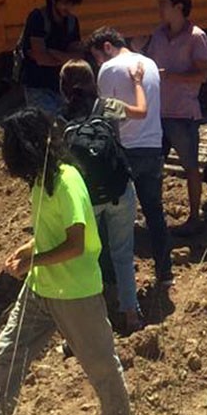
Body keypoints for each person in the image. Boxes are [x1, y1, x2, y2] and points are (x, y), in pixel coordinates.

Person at [0, 109, 131, 415]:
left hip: (75, 294)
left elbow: (76, 243)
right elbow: (47, 236)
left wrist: (32, 262)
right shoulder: (39, 182)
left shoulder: (67, 180)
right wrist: (26, 251)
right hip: (41, 292)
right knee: (3, 362)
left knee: (101, 365)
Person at [57, 60, 143, 335]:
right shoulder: (108, 106)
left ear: (64, 87)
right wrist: (138, 83)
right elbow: (140, 112)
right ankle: (131, 314)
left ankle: (89, 323)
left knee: (85, 259)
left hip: (87, 196)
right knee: (123, 254)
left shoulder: (62, 117)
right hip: (120, 189)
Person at [92, 27, 171, 303]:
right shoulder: (147, 63)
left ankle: (113, 282)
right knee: (155, 212)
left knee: (112, 220)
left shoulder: (109, 69)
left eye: (97, 58)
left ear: (106, 47)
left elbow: (108, 115)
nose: (98, 64)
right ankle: (165, 272)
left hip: (126, 150)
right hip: (154, 144)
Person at [148, 0, 207, 231]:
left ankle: (195, 217)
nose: (159, 10)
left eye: (163, 5)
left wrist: (169, 76)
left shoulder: (196, 37)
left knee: (190, 166)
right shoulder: (158, 34)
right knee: (154, 168)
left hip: (183, 114)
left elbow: (202, 75)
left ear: (178, 7)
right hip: (158, 113)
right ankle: (156, 217)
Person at [18, 0, 84, 115]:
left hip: (62, 88)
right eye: (65, 3)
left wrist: (52, 52)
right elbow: (41, 58)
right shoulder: (37, 18)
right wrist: (65, 58)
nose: (68, 8)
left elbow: (78, 57)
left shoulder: (72, 22)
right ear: (54, 0)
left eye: (72, 4)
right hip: (37, 86)